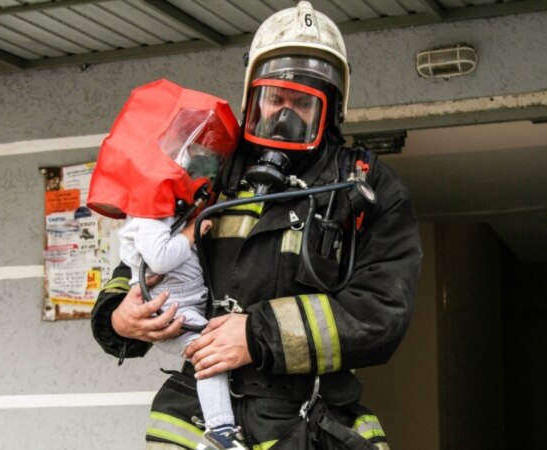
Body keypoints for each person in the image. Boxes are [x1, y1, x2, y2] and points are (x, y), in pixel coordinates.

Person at [91, 2, 423, 449]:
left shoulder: (365, 188)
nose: (285, 114)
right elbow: (143, 251)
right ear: (252, 97)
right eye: (274, 98)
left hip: (307, 425)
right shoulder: (206, 168)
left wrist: (255, 334)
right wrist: (119, 316)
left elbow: (382, 311)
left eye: (303, 102)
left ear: (331, 108)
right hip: (196, 422)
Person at [86, 80, 246, 449]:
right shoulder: (156, 209)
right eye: (190, 148)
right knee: (210, 355)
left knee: (210, 354)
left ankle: (219, 432)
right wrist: (117, 318)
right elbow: (137, 270)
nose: (195, 160)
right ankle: (220, 431)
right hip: (182, 325)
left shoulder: (198, 193)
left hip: (273, 397)